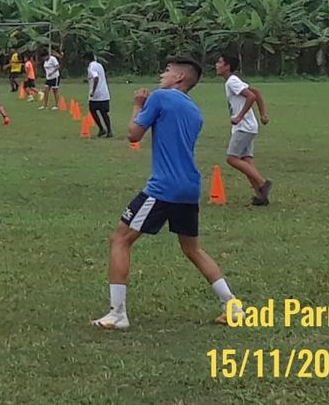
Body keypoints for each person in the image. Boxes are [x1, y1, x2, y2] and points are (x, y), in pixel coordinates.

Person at [92, 57, 245, 330]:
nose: (162, 75)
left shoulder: (160, 97)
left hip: (164, 187)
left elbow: (134, 134)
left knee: (120, 239)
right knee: (192, 248)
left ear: (179, 78)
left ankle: (117, 314)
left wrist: (138, 104)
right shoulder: (195, 111)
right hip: (190, 187)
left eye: (167, 71)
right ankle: (233, 305)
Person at [215, 55, 272, 205]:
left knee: (232, 158)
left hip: (244, 127)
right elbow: (256, 93)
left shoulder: (232, 81)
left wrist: (239, 116)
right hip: (248, 126)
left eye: (220, 62)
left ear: (227, 66)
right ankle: (261, 197)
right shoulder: (234, 81)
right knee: (246, 161)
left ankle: (262, 183)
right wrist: (263, 114)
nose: (216, 65)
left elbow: (251, 96)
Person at [84, 52, 113, 137]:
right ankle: (109, 130)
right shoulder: (99, 65)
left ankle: (102, 128)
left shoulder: (91, 67)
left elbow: (96, 77)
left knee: (93, 110)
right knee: (104, 113)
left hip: (96, 94)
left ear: (87, 59)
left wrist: (93, 90)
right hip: (104, 93)